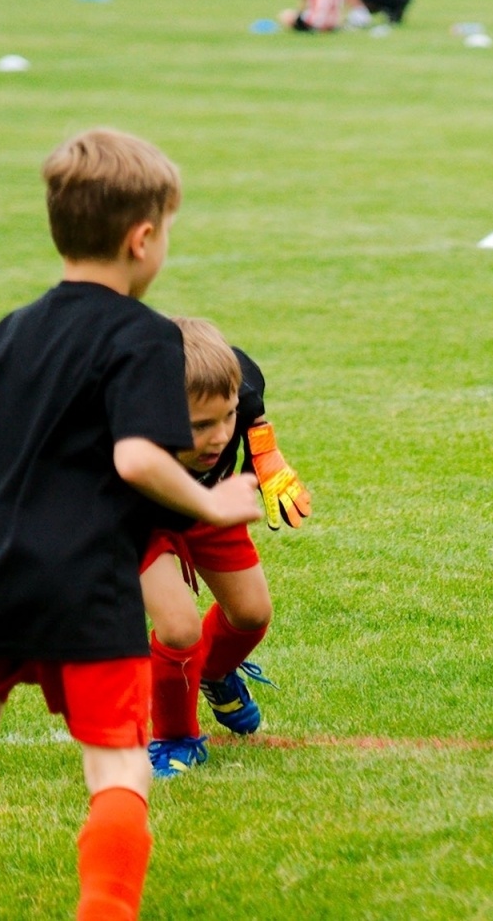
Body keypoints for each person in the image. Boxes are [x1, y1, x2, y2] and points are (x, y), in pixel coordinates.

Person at [0, 130, 262, 919]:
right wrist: (214, 501)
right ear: (141, 238)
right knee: (117, 772)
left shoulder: (11, 329)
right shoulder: (143, 335)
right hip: (84, 585)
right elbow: (139, 456)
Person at [140, 317, 312, 778]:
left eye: (226, 417)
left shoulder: (238, 380)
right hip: (141, 520)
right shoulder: (124, 424)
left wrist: (266, 451)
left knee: (252, 614)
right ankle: (175, 736)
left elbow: (252, 413)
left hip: (212, 505)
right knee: (179, 629)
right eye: (200, 426)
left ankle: (214, 673)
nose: (219, 436)